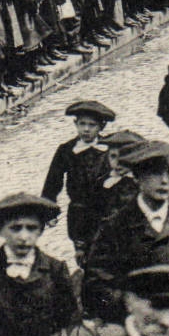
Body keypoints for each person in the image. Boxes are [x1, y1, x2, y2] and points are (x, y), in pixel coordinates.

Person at [80, 141, 169, 324]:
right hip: (133, 327)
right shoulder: (116, 225)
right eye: (156, 172)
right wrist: (131, 304)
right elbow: (95, 288)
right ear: (138, 177)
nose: (164, 181)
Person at [0, 193, 79, 336]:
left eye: (31, 228)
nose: (24, 236)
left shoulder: (56, 270)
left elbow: (69, 323)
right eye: (15, 228)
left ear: (40, 230)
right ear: (0, 230)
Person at [40, 99, 115, 253]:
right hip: (79, 214)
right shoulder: (66, 150)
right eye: (82, 124)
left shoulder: (110, 148)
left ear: (101, 126)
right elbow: (53, 182)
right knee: (83, 255)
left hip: (107, 212)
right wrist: (49, 210)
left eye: (91, 125)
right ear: (75, 124)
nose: (86, 129)